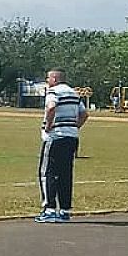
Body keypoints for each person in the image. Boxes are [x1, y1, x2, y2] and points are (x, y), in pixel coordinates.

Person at [36, 69, 89, 223]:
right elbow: (84, 114)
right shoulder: (74, 93)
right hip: (71, 137)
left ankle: (49, 209)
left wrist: (48, 125)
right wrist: (74, 127)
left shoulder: (53, 92)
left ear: (54, 78)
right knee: (66, 174)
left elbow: (51, 107)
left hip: (55, 137)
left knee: (47, 172)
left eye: (48, 77)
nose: (47, 80)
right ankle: (64, 210)